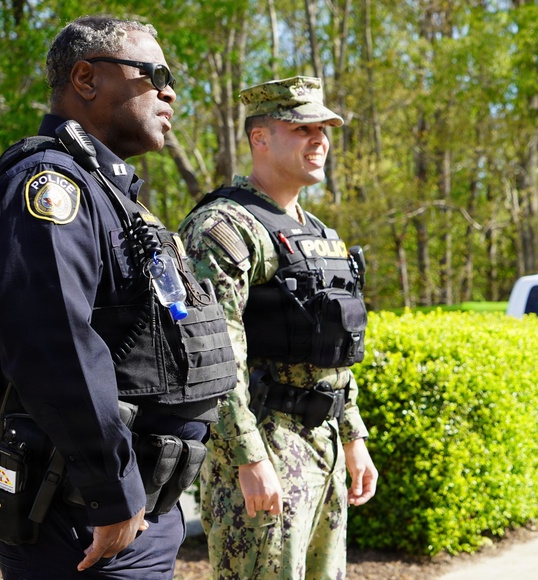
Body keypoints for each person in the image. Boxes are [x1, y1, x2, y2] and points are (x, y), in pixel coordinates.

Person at [0, 16, 236, 578]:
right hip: (81, 514)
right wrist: (113, 489)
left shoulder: (107, 191)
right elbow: (53, 345)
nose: (170, 91)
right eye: (153, 73)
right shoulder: (49, 187)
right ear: (86, 78)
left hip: (127, 506)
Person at [179, 76, 379, 579]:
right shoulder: (224, 228)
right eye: (302, 128)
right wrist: (248, 458)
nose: (320, 141)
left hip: (324, 445)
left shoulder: (319, 234)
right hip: (264, 444)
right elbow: (212, 355)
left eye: (325, 130)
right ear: (259, 138)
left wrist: (353, 436)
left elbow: (334, 351)